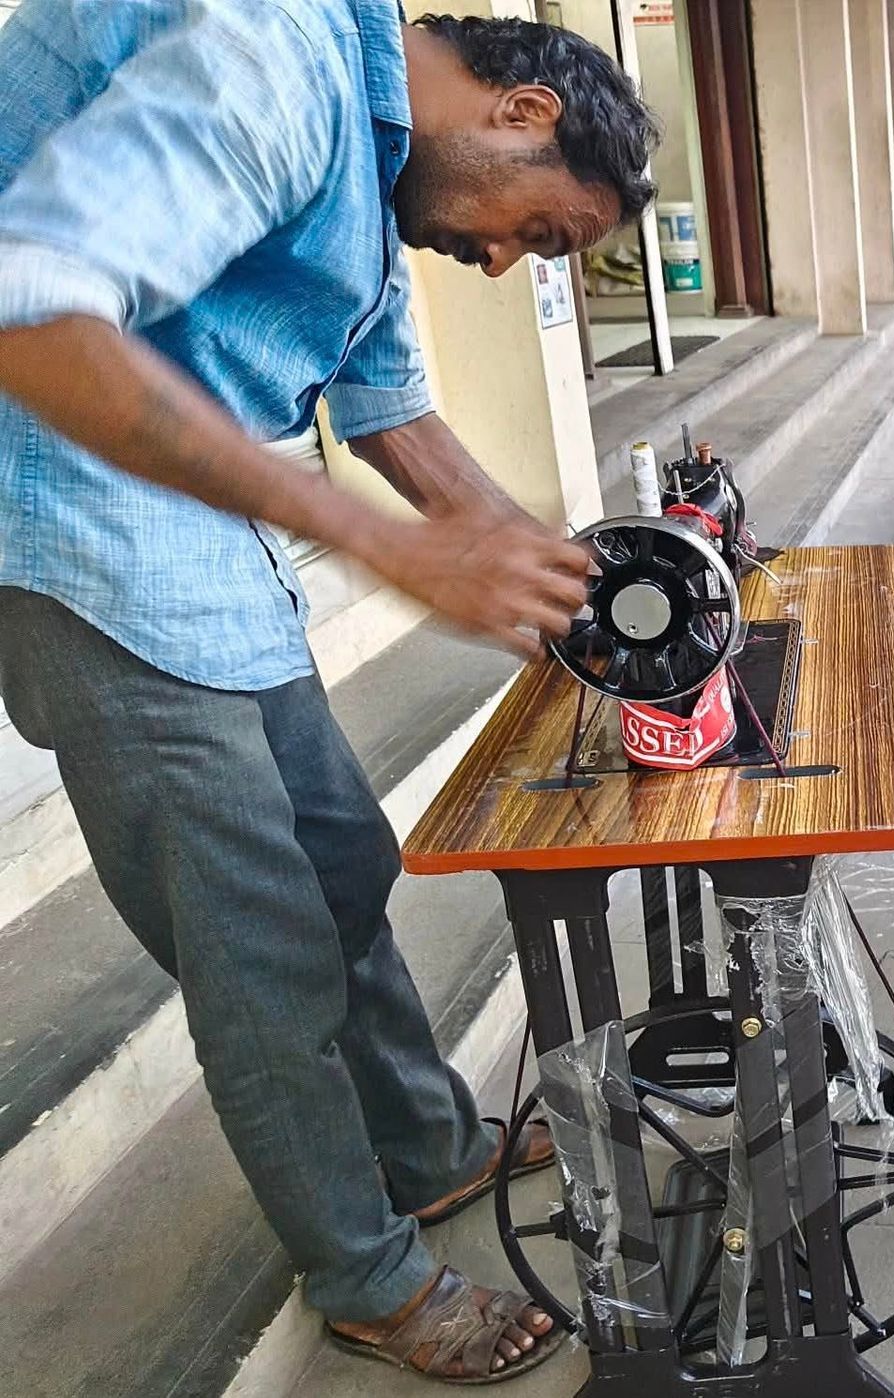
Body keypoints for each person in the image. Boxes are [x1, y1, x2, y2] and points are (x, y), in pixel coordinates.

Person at [0, 2, 661, 1384]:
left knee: (345, 859)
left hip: (196, 535)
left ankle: (422, 1148)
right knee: (262, 944)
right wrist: (392, 546)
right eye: (535, 234)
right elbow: (30, 306)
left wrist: (574, 599)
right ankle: (365, 1272)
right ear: (523, 112)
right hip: (68, 517)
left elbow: (389, 409)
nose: (495, 261)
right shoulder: (277, 55)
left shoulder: (371, 171)